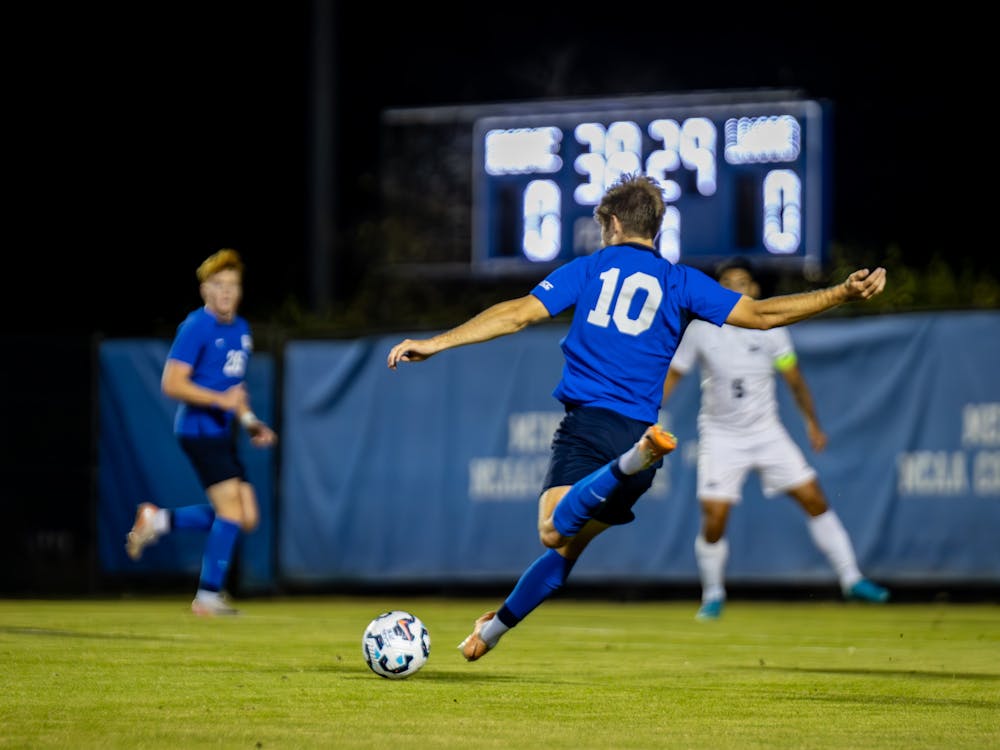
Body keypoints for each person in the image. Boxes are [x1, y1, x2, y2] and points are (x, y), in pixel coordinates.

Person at [386, 172, 887, 661]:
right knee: (565, 553)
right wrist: (840, 292)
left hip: (593, 429)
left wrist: (436, 342)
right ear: (657, 229)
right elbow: (762, 315)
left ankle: (629, 462)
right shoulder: (681, 281)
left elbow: (518, 313)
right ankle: (490, 631)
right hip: (639, 433)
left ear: (612, 223)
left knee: (551, 532)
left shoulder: (590, 268)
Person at [661, 256, 889, 620]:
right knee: (715, 516)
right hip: (721, 435)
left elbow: (793, 378)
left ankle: (851, 578)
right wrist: (648, 415)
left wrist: (812, 423)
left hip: (766, 432)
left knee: (813, 498)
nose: (736, 287)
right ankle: (713, 593)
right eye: (728, 282)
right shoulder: (701, 330)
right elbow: (673, 376)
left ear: (754, 289)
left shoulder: (771, 327)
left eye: (743, 282)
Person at [125, 248, 277, 616]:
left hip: (224, 432)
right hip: (198, 430)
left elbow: (235, 393)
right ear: (205, 290)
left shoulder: (241, 330)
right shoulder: (196, 326)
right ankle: (208, 596)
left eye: (233, 285)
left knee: (247, 516)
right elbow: (173, 383)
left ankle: (158, 520)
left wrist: (251, 422)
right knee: (230, 511)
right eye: (218, 285)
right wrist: (219, 401)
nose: (226, 292)